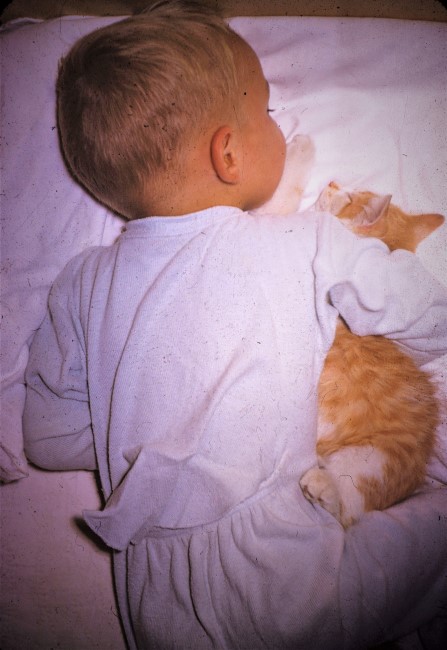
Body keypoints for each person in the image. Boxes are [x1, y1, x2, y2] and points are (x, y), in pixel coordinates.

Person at [23, 2, 447, 648]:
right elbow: (421, 314)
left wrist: (131, 414)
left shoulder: (81, 282)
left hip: (153, 602)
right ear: (228, 152)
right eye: (268, 114)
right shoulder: (301, 240)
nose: (279, 125)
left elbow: (47, 439)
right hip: (290, 577)